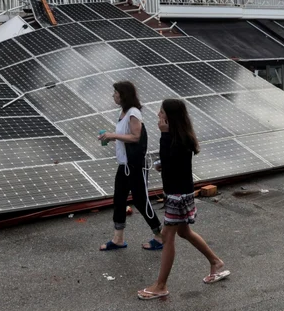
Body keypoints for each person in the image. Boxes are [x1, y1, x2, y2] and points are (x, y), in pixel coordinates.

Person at [137, 99, 230, 300]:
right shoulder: (179, 136)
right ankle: (216, 262)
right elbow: (174, 162)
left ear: (169, 117)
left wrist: (163, 135)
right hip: (179, 192)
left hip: (177, 195)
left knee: (167, 237)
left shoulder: (175, 138)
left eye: (161, 112)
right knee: (184, 232)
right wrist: (163, 161)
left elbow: (174, 161)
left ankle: (161, 285)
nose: (158, 115)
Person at [98, 81, 163, 252]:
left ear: (123, 94)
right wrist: (112, 137)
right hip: (124, 165)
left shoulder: (134, 113)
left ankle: (159, 235)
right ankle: (118, 239)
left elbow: (135, 136)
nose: (113, 95)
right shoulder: (123, 113)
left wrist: (113, 135)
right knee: (119, 199)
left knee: (141, 200)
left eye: (115, 92)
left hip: (135, 165)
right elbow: (126, 136)